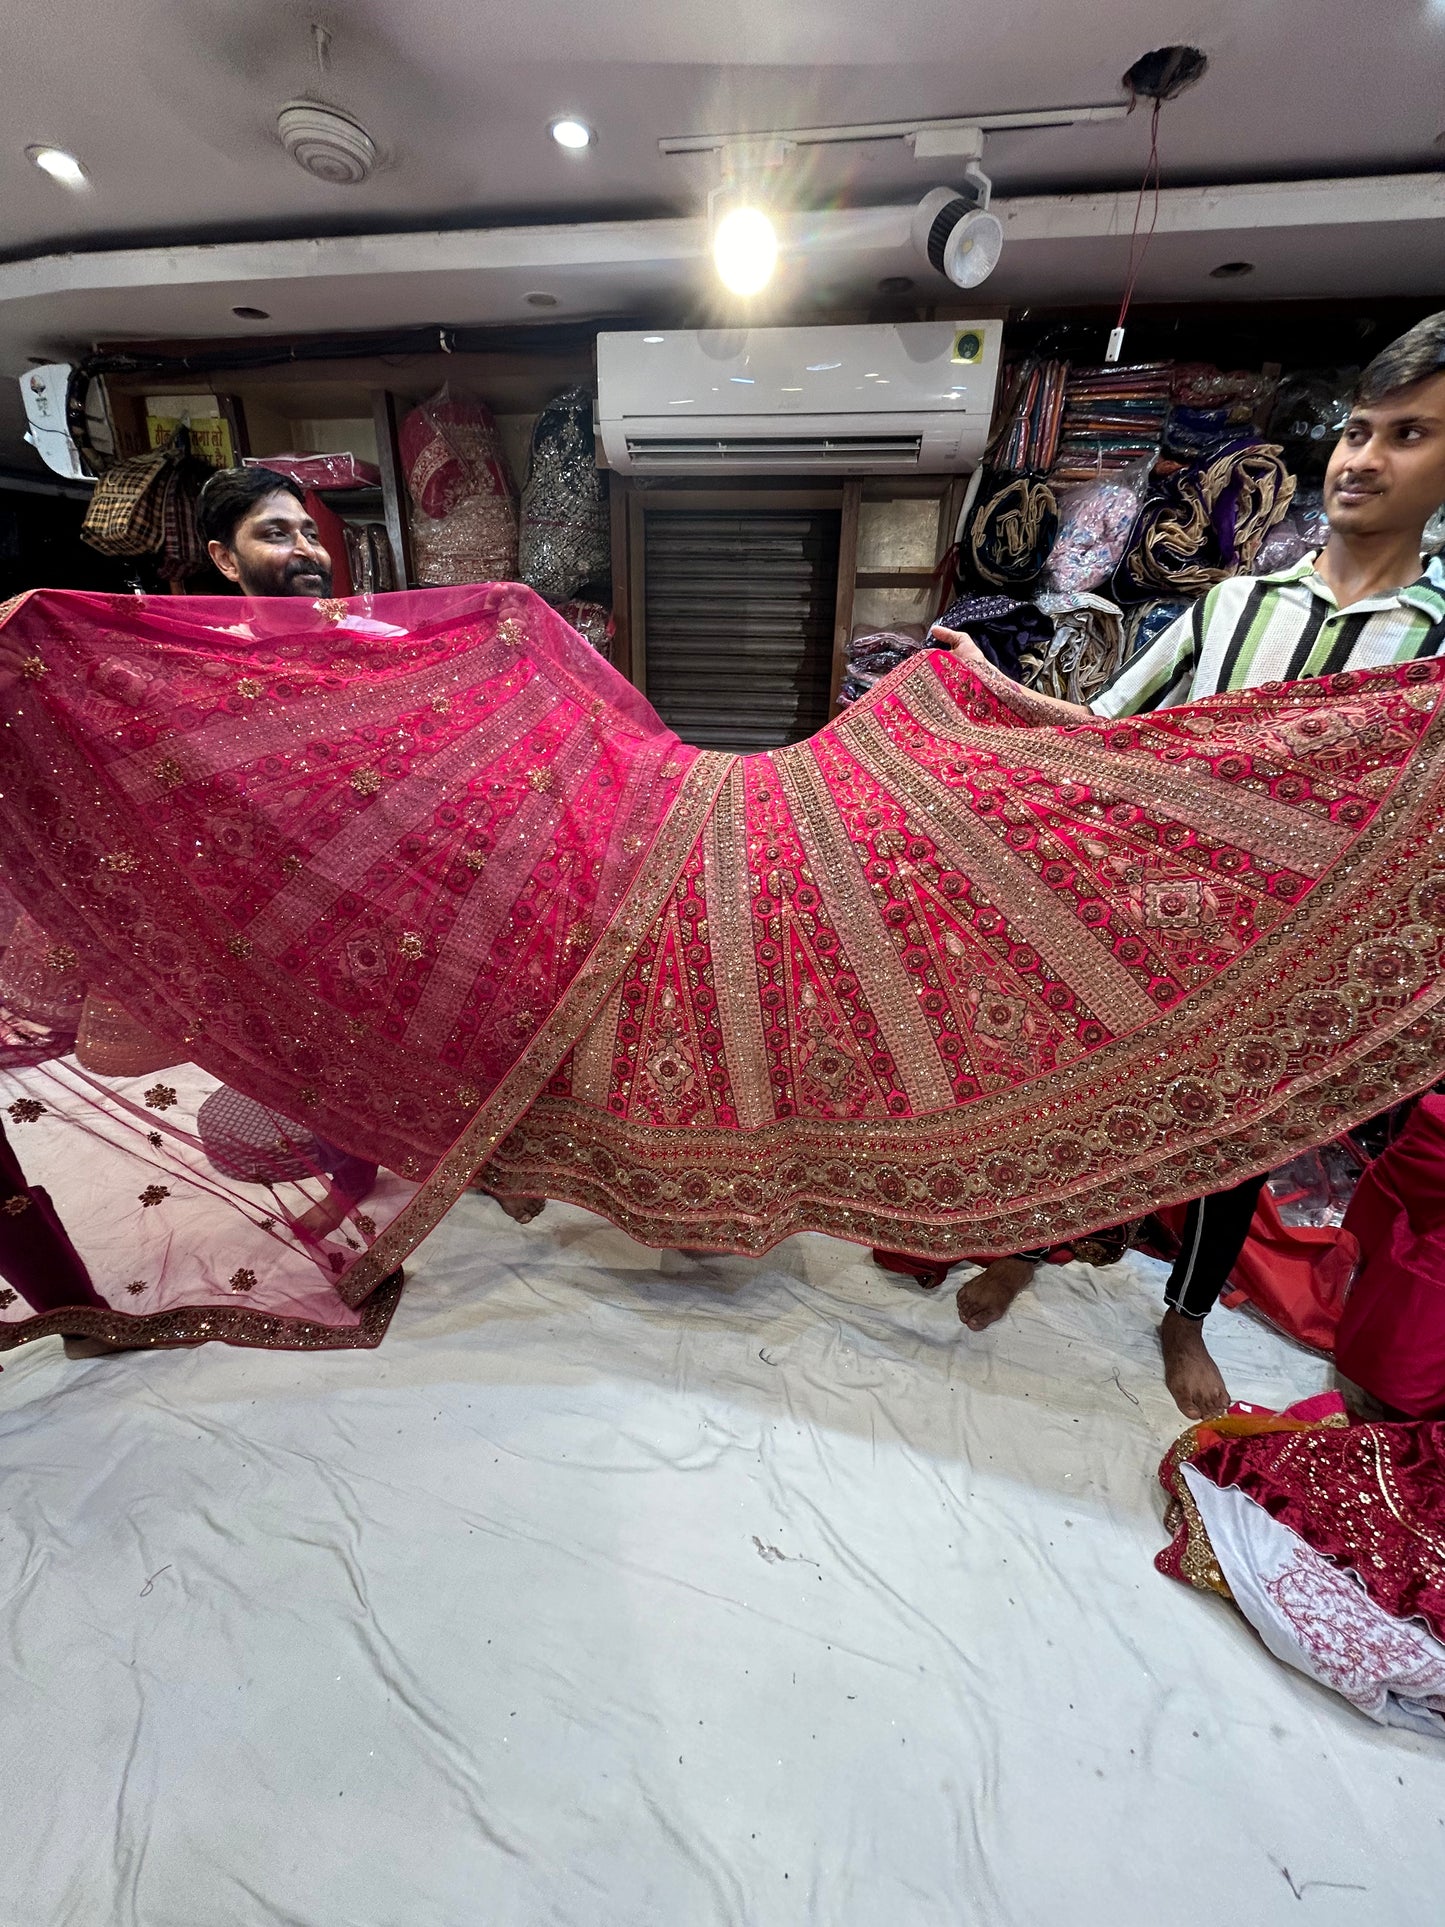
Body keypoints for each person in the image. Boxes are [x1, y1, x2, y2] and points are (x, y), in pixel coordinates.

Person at [941, 309, 1445, 1420]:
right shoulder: (1227, 606)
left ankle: (1183, 1315)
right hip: (1163, 923)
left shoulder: (1432, 652)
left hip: (1301, 950)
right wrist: (985, 688)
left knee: (1234, 1148)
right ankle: (1029, 1250)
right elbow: (1104, 735)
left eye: (1406, 435)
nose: (1360, 457)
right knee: (1078, 1096)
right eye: (1356, 430)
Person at [200, 465, 334, 599]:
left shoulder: (352, 619)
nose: (309, 551)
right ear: (226, 560)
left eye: (311, 535)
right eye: (276, 534)